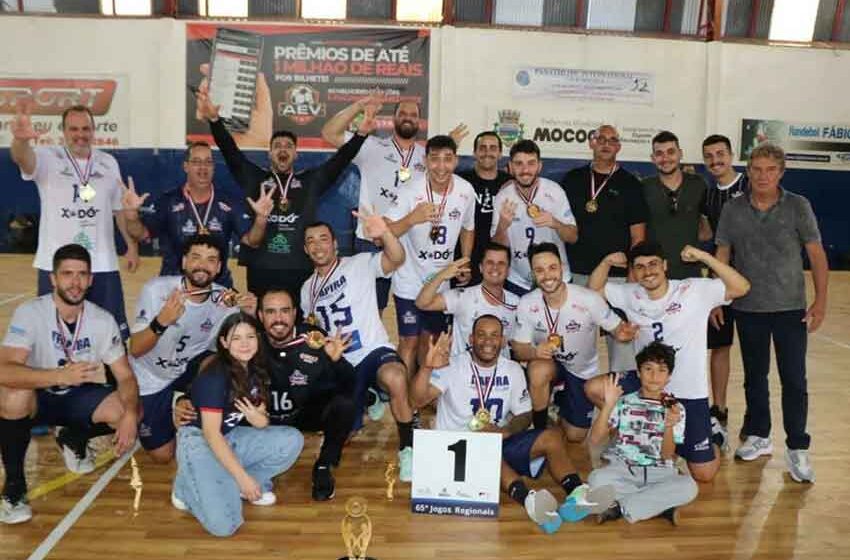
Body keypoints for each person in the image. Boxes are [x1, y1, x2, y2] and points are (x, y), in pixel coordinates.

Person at [410, 315, 615, 534]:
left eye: (494, 335)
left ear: (503, 340)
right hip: (457, 451)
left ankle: (577, 494)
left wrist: (505, 431)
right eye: (481, 335)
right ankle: (529, 500)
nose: (488, 341)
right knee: (486, 449)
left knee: (552, 436)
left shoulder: (513, 370)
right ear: (471, 338)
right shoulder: (453, 365)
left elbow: (524, 415)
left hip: (496, 441)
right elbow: (417, 401)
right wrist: (427, 367)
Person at [586, 241, 751, 483]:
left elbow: (742, 287)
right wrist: (607, 262)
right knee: (593, 388)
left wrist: (704, 257)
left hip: (688, 391)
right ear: (633, 271)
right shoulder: (630, 293)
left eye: (653, 264)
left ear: (665, 265)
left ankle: (712, 432)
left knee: (704, 475)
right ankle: (634, 434)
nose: (648, 271)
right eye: (640, 267)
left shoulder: (692, 290)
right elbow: (594, 290)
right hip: (647, 385)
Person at [0, 244, 139, 524]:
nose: (74, 283)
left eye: (82, 274)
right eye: (67, 274)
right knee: (13, 395)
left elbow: (124, 376)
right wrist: (59, 376)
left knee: (128, 411)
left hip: (77, 396)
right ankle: (14, 487)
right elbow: (4, 370)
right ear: (53, 278)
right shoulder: (30, 313)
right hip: (38, 396)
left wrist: (131, 415)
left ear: (91, 279)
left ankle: (74, 436)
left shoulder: (102, 319)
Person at [715, 143, 828, 483]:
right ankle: (760, 435)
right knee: (755, 377)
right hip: (748, 309)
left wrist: (820, 301)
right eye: (756, 169)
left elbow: (817, 255)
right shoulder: (733, 209)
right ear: (748, 171)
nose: (763, 176)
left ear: (781, 172)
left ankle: (797, 448)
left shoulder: (798, 206)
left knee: (794, 380)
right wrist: (716, 300)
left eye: (770, 170)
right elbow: (722, 254)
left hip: (791, 309)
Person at [195, 83, 371, 302]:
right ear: (270, 153)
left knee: (299, 324)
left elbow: (340, 160)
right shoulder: (255, 179)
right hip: (261, 268)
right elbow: (230, 151)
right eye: (277, 145)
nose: (283, 149)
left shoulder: (310, 182)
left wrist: (361, 134)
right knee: (261, 322)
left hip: (300, 268)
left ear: (296, 154)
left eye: (288, 146)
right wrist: (214, 121)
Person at [177, 289, 357, 501]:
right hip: (258, 416)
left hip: (301, 412)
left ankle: (324, 466)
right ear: (260, 316)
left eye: (284, 311)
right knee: (226, 421)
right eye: (270, 312)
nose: (278, 318)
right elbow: (217, 367)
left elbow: (350, 385)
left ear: (295, 313)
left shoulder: (312, 339)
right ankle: (231, 471)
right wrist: (185, 398)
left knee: (345, 405)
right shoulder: (249, 340)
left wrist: (337, 362)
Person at [10, 103, 140, 340]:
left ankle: (113, 378)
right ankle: (63, 378)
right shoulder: (47, 158)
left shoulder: (108, 162)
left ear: (93, 130)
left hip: (102, 264)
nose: (80, 135)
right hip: (57, 265)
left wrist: (131, 245)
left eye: (85, 128)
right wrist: (20, 141)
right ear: (64, 131)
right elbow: (23, 159)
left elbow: (118, 208)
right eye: (74, 129)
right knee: (57, 336)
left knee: (113, 335)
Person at [301, 217, 415, 481]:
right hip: (343, 364)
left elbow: (397, 258)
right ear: (305, 250)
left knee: (396, 377)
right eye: (311, 241)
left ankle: (408, 448)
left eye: (323, 239)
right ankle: (368, 397)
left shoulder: (359, 263)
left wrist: (385, 233)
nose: (318, 246)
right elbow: (313, 329)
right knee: (343, 433)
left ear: (335, 244)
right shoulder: (306, 289)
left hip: (373, 351)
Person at [171, 312, 303, 537]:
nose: (245, 344)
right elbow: (212, 435)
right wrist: (243, 479)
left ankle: (228, 482)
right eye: (236, 338)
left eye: (250, 337)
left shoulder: (254, 369)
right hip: (200, 443)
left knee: (292, 440)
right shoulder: (214, 376)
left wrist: (257, 419)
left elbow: (262, 420)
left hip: (229, 437)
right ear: (223, 342)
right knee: (225, 526)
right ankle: (185, 488)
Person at [129, 235, 255, 462]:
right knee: (163, 456)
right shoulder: (156, 289)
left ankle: (188, 406)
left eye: (211, 260)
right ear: (184, 262)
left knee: (224, 362)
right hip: (148, 376)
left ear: (218, 268)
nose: (202, 265)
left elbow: (242, 347)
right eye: (196, 257)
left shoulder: (224, 300)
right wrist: (161, 321)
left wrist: (252, 312)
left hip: (185, 373)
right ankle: (132, 415)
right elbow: (136, 349)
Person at [510, 243, 635, 442]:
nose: (547, 276)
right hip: (552, 364)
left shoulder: (588, 299)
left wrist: (625, 333)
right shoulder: (527, 303)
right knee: (537, 370)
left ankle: (560, 401)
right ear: (533, 273)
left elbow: (618, 330)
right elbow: (518, 350)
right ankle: (540, 429)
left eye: (552, 267)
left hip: (582, 370)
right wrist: (534, 352)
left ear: (562, 268)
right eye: (539, 270)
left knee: (575, 436)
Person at [386, 134, 475, 376]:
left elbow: (468, 228)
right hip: (409, 278)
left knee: (431, 340)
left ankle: (420, 390)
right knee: (409, 341)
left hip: (441, 281)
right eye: (435, 159)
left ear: (456, 161)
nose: (441, 166)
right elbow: (386, 230)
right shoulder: (409, 191)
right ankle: (402, 399)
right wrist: (411, 219)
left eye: (448, 159)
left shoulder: (466, 190)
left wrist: (464, 262)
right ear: (425, 161)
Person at [561, 124, 648, 371]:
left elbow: (638, 236)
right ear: (591, 143)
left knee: (621, 342)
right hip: (577, 274)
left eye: (612, 140)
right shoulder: (573, 179)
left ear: (619, 146)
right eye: (601, 139)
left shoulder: (631, 184)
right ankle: (573, 399)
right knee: (574, 340)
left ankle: (622, 401)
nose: (606, 144)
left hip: (617, 279)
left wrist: (633, 276)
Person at [588, 342, 698, 525]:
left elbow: (666, 454)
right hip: (624, 469)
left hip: (659, 473)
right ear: (638, 373)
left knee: (689, 487)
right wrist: (608, 405)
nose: (654, 376)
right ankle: (657, 507)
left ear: (669, 376)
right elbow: (595, 439)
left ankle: (619, 508)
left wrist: (669, 425)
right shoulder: (623, 403)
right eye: (648, 369)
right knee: (596, 479)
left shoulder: (676, 409)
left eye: (662, 370)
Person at [121, 141, 252, 288]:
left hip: (217, 288)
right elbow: (140, 234)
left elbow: (252, 240)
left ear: (213, 167)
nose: (203, 167)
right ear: (186, 166)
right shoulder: (168, 202)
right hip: (174, 287)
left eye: (208, 162)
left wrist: (261, 218)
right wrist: (131, 215)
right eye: (196, 161)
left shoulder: (228, 202)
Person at [701, 134, 750, 446]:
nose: (715, 160)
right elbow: (707, 233)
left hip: (756, 284)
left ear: (732, 155)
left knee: (755, 354)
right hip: (724, 283)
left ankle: (757, 420)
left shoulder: (750, 186)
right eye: (709, 156)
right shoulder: (707, 195)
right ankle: (719, 410)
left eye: (720, 154)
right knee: (720, 346)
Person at [491, 140, 577, 296]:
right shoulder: (503, 197)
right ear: (510, 166)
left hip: (557, 278)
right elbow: (498, 247)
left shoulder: (555, 191)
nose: (525, 170)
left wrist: (555, 223)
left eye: (531, 163)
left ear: (540, 166)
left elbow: (573, 237)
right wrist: (502, 226)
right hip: (518, 282)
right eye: (519, 163)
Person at [415, 242, 518, 358]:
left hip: (501, 370)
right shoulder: (463, 296)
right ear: (480, 267)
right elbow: (422, 303)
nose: (495, 267)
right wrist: (441, 276)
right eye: (489, 262)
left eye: (501, 263)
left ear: (508, 270)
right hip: (462, 370)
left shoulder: (516, 303)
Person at [642, 131, 710, 280]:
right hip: (654, 274)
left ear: (680, 154)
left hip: (691, 273)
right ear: (653, 159)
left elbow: (706, 232)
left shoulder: (698, 184)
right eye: (659, 153)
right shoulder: (644, 187)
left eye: (671, 152)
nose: (665, 158)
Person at [457, 131, 513, 285]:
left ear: (500, 154)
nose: (487, 152)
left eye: (493, 148)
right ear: (475, 153)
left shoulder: (510, 184)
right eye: (482, 148)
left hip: (499, 261)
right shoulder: (460, 181)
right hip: (465, 259)